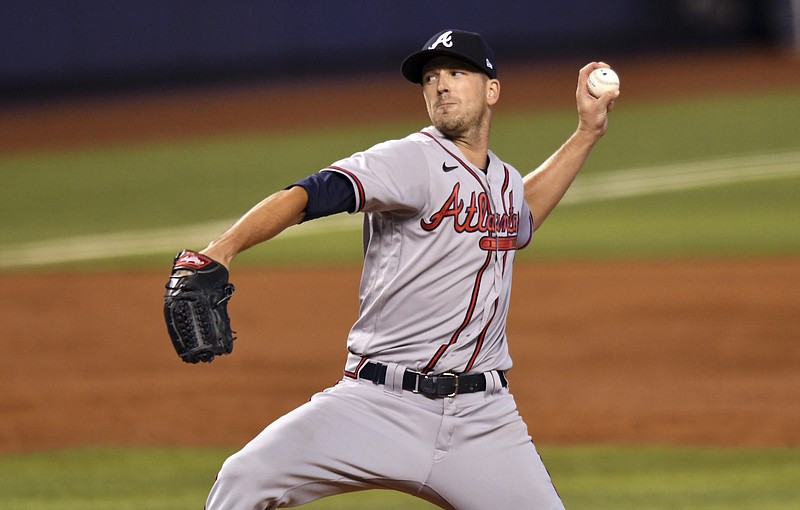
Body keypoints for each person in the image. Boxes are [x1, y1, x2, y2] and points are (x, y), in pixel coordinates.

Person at [201, 29, 618, 510]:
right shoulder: (408, 158)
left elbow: (520, 218)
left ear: (491, 90)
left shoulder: (503, 180)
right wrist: (223, 248)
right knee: (244, 479)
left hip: (483, 421)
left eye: (457, 73)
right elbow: (313, 193)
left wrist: (587, 133)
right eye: (431, 77)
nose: (441, 85)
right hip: (377, 405)